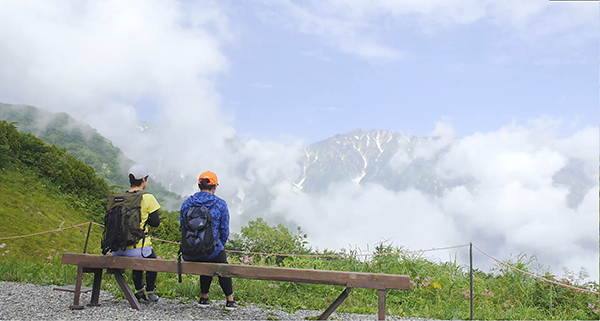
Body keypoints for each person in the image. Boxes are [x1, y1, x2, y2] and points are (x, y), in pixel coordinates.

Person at [180, 171, 236, 311]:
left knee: (204, 255)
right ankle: (230, 300)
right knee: (220, 260)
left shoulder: (187, 203)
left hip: (190, 252)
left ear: (199, 185)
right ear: (215, 187)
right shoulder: (220, 204)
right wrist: (218, 245)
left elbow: (182, 227)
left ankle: (204, 297)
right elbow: (224, 230)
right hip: (212, 252)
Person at [111, 164, 162, 302]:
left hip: (117, 249)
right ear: (144, 180)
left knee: (137, 260)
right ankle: (150, 292)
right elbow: (155, 222)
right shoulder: (147, 198)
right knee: (152, 262)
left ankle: (139, 290)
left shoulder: (119, 198)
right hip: (137, 248)